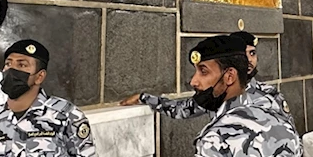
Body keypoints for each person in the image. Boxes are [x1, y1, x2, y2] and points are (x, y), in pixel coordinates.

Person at [189, 35, 302, 157]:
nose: (194, 81)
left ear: (229, 76)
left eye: (203, 71)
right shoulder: (283, 124)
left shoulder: (214, 140)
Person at [121, 32, 295, 129]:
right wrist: (145, 98)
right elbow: (181, 109)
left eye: (253, 53)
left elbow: (289, 138)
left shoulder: (270, 95)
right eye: (244, 54)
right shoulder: (216, 95)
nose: (249, 60)